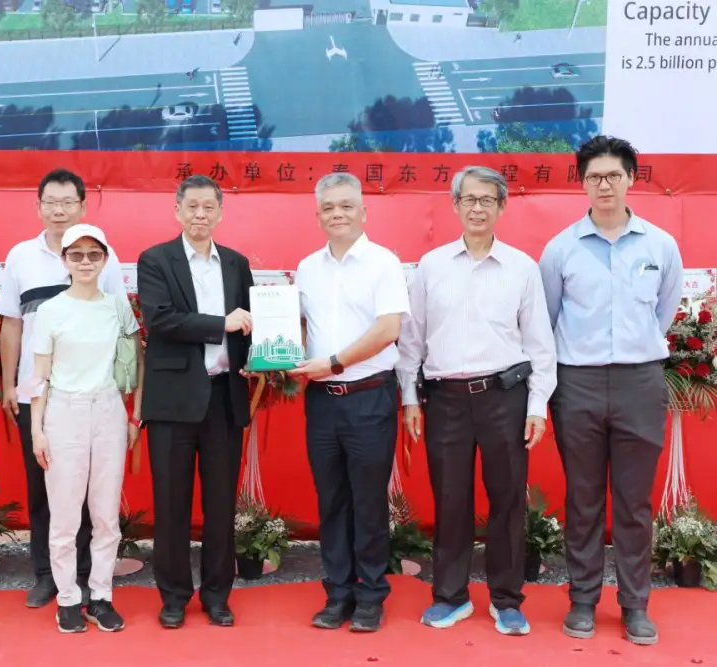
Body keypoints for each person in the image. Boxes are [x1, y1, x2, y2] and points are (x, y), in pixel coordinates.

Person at [396, 166, 557, 636]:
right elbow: (412, 340)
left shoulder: (522, 268)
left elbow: (540, 345)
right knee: (450, 499)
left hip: (504, 398)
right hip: (444, 399)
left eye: (488, 200)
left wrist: (537, 406)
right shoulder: (431, 266)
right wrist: (409, 398)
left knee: (507, 499)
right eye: (469, 199)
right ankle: (450, 596)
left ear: (502, 206)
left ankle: (506, 599)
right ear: (455, 205)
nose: (478, 208)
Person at [539, 136, 683, 646]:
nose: (604, 185)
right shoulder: (560, 249)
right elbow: (547, 318)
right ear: (582, 183)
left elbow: (663, 312)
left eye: (614, 175)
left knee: (633, 501)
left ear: (631, 179)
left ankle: (635, 604)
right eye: (594, 176)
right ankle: (582, 599)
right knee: (582, 498)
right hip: (577, 383)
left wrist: (633, 351)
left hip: (639, 382)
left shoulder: (660, 245)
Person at [0, 169, 124, 608]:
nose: (59, 210)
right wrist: (9, 382)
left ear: (83, 206)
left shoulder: (104, 257)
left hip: (92, 395)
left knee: (91, 491)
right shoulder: (21, 256)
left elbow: (119, 324)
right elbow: (12, 324)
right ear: (38, 207)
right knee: (44, 490)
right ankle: (46, 574)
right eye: (51, 202)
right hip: (38, 394)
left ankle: (86, 576)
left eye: (68, 202)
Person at [291, 172, 408, 633]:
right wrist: (273, 357)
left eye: (345, 206)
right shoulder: (307, 268)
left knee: (368, 501)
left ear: (363, 211)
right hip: (322, 401)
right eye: (328, 207)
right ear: (318, 215)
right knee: (332, 500)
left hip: (368, 397)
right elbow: (300, 328)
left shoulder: (383, 263)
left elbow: (388, 330)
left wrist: (335, 362)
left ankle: (371, 594)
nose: (337, 214)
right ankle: (337, 593)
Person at [137, 174, 254, 629]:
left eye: (209, 207)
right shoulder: (155, 260)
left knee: (221, 505)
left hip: (224, 396)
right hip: (173, 401)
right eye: (192, 207)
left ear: (220, 212)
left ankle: (217, 595)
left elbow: (251, 323)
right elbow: (161, 319)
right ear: (178, 211)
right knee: (171, 504)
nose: (200, 215)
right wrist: (221, 323)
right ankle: (173, 596)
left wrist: (265, 354)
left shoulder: (237, 263)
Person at [22, 224, 144, 633]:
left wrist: (135, 414)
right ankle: (68, 598)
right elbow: (39, 376)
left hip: (108, 410)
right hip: (63, 413)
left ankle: (101, 595)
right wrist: (37, 430)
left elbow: (136, 362)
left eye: (94, 254)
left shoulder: (118, 307)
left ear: (105, 259)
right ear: (65, 260)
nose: (85, 262)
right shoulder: (50, 310)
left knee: (106, 515)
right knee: (64, 515)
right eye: (77, 255)